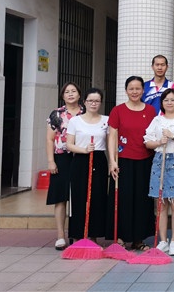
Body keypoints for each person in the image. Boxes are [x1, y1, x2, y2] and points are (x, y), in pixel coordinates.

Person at [107, 76, 157, 251]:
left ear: (143, 90)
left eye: (138, 88)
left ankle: (138, 239)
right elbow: (112, 136)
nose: (134, 92)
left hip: (145, 160)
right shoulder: (117, 110)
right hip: (123, 161)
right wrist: (112, 161)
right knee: (123, 199)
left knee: (142, 200)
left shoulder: (150, 111)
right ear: (126, 90)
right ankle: (120, 237)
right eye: (131, 89)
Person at [144, 88, 174, 256]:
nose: (169, 103)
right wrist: (159, 141)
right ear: (162, 103)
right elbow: (147, 142)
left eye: (173, 100)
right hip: (159, 160)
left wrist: (172, 137)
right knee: (161, 203)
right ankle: (163, 241)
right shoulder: (157, 120)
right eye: (166, 100)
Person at [66, 88, 109, 243]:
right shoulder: (75, 121)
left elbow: (111, 143)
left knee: (97, 197)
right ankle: (78, 235)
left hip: (99, 159)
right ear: (84, 102)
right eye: (90, 100)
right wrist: (84, 150)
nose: (93, 104)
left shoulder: (106, 120)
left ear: (101, 103)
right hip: (80, 160)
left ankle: (94, 236)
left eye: (97, 101)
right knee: (79, 197)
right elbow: (69, 145)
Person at [45, 82, 84, 250]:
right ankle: (60, 236)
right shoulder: (57, 114)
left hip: (81, 157)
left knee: (79, 196)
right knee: (60, 197)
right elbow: (49, 139)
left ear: (79, 94)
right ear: (62, 96)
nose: (70, 94)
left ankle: (78, 233)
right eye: (67, 92)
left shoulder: (85, 112)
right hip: (61, 158)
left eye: (73, 91)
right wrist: (51, 161)